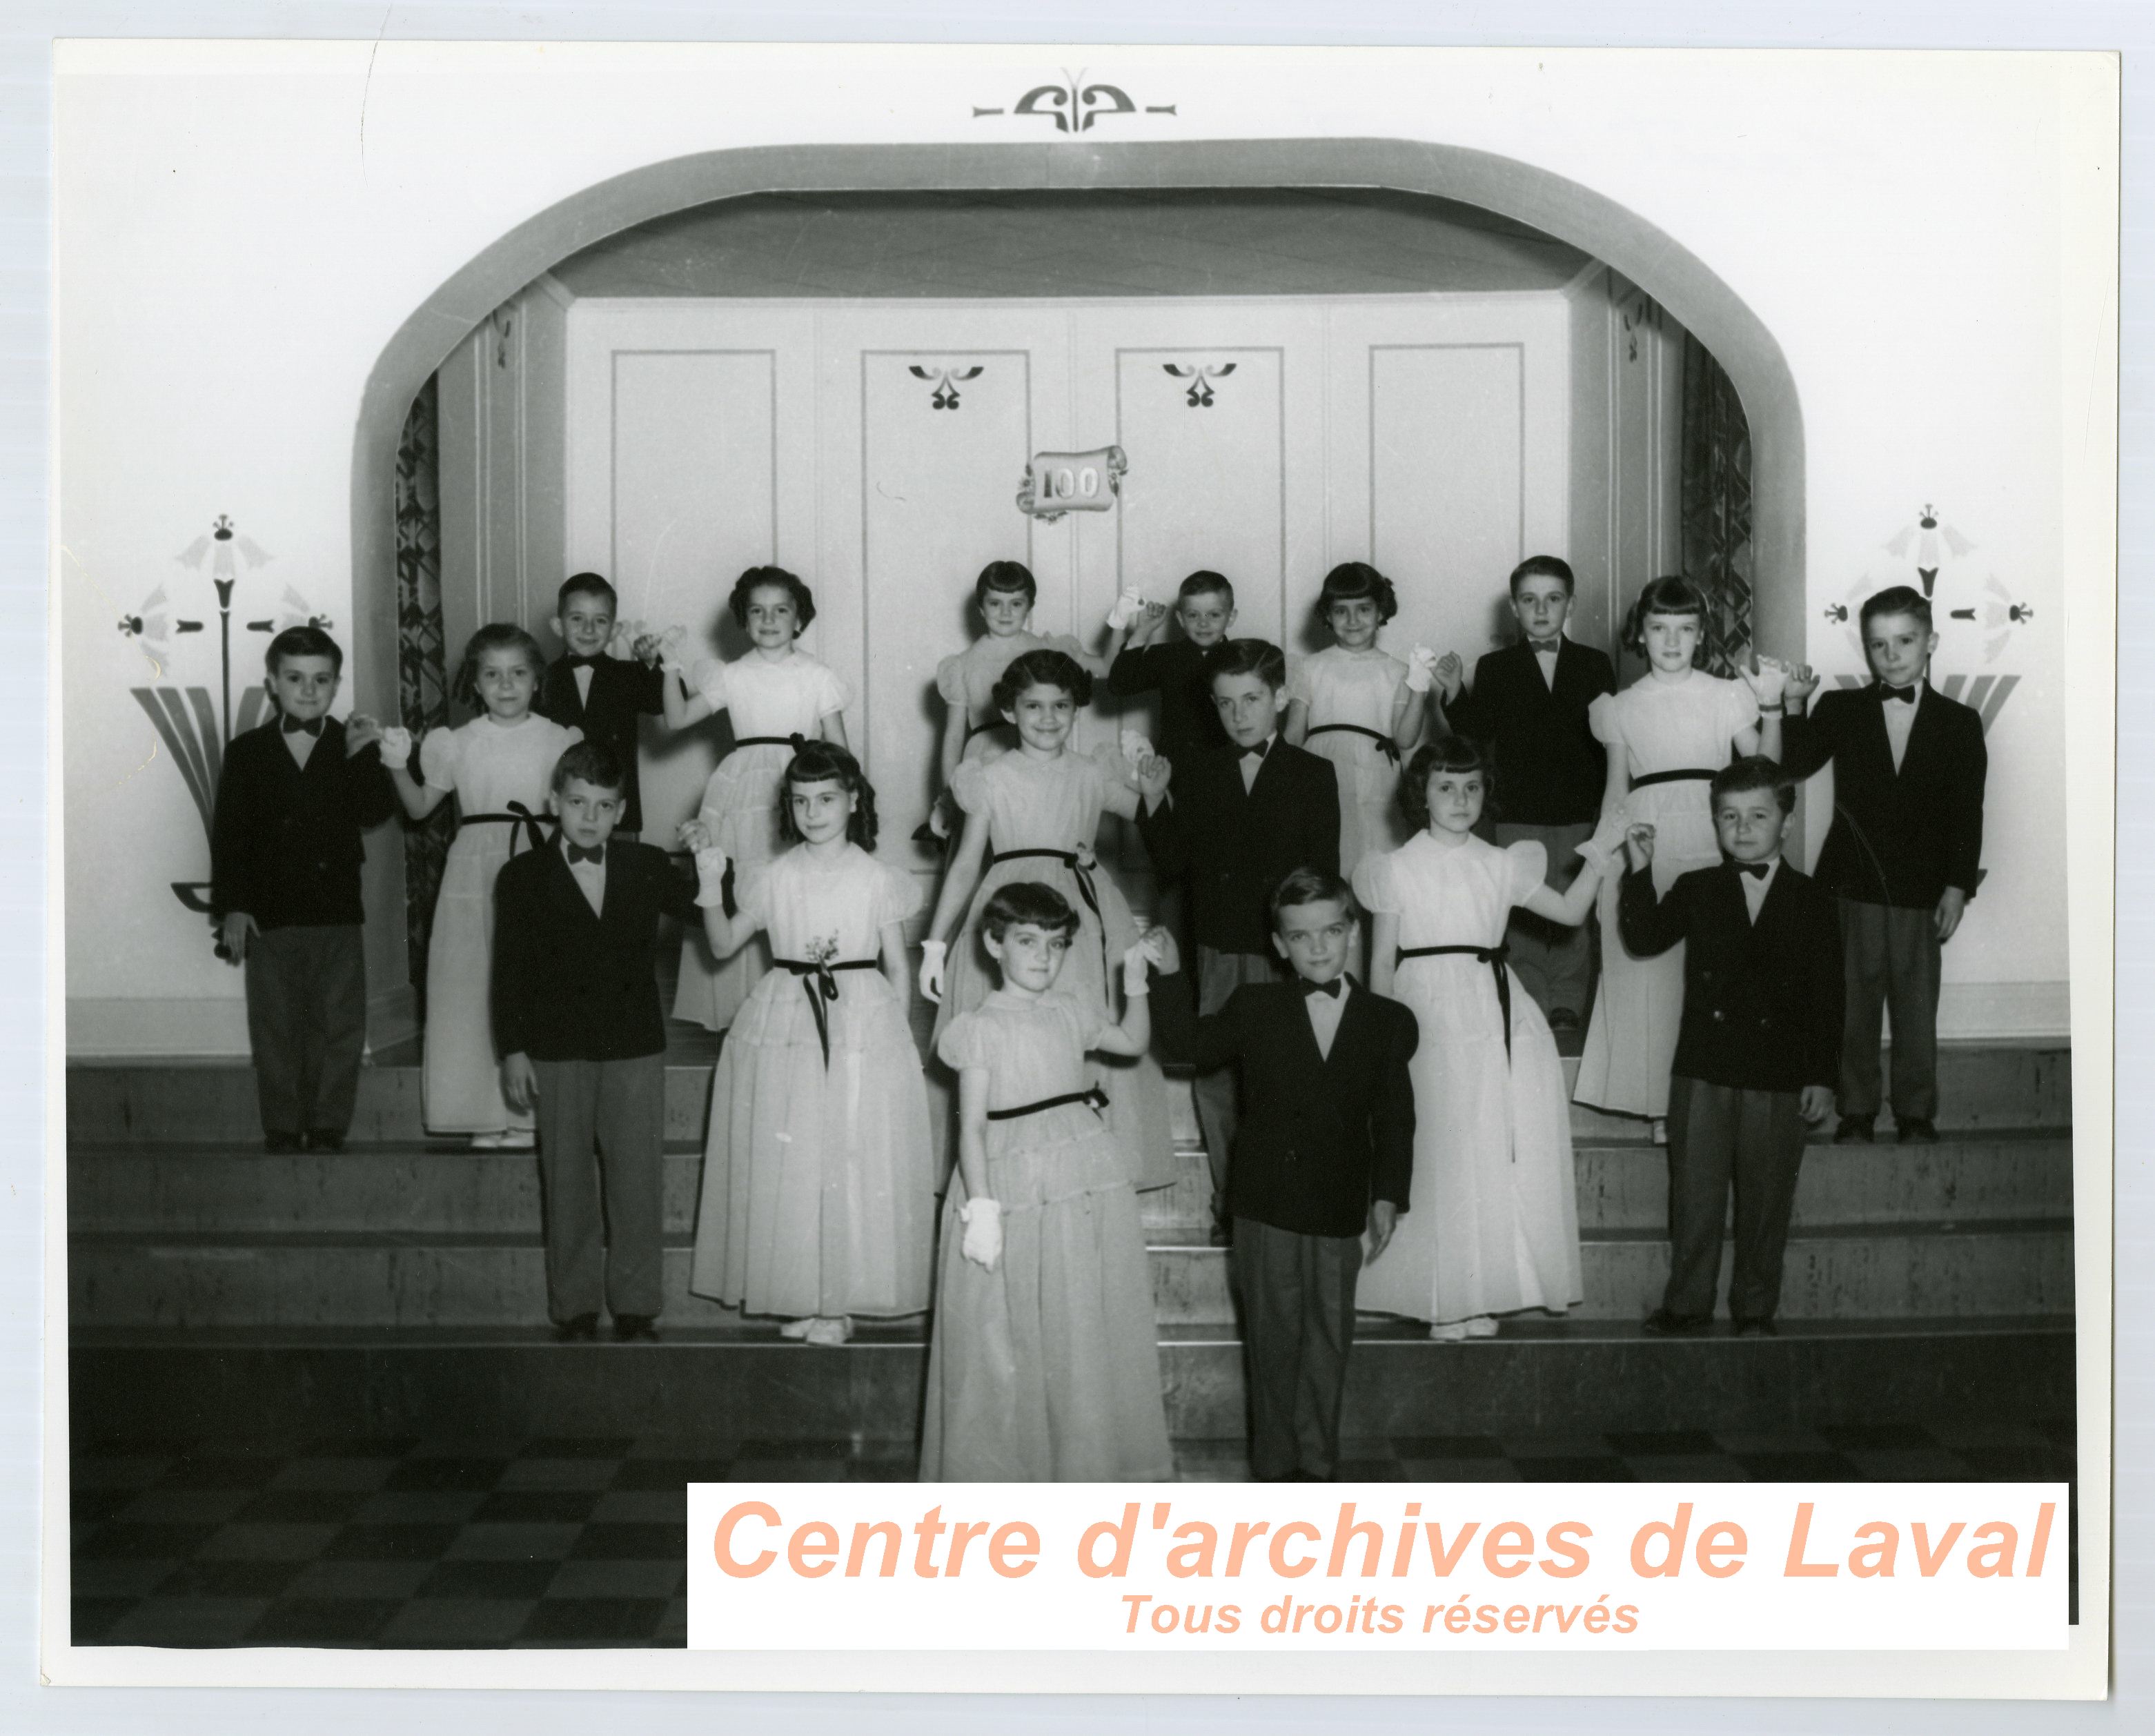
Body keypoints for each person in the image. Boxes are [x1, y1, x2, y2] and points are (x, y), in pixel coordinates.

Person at [1148, 871, 1417, 1481]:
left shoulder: (1386, 1020)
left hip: (1338, 1202)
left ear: (1352, 932)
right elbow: (1188, 1042)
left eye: (1330, 932)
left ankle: (1318, 1466)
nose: (1317, 948)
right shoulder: (1255, 1007)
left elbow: (1395, 1118)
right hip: (1265, 1203)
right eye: (1300, 937)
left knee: (1328, 1337)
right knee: (1273, 1342)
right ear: (1278, 945)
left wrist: (1388, 1195)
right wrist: (1166, 975)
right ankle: (1273, 1471)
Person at [919, 882, 1173, 1481]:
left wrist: (1135, 982)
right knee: (1007, 1324)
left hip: (1079, 1170)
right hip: (1009, 1178)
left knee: (1077, 1315)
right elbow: (973, 1128)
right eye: (1026, 942)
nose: (1042, 957)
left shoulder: (1070, 1008)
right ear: (992, 943)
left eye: (1055, 945)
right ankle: (1011, 1469)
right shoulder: (978, 1027)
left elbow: (1133, 1043)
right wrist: (981, 1206)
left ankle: (1081, 1461)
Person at [685, 741, 936, 1345]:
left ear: (853, 802)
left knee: (848, 1154)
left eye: (826, 799)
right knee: (795, 1158)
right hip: (787, 1019)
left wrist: (894, 1043)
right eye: (800, 802)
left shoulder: (877, 878)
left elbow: (897, 969)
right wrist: (709, 881)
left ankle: (840, 1301)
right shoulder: (776, 875)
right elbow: (721, 946)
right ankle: (807, 1292)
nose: (813, 812)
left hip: (859, 1019)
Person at [1355, 738, 1606, 1339]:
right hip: (1423, 1009)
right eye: (1446, 786)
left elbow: (1570, 913)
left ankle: (1482, 1291)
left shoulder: (1501, 864)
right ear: (1421, 795)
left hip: (1492, 1010)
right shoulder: (1394, 869)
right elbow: (1381, 965)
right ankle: (1440, 1296)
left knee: (1488, 1144)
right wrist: (1379, 1042)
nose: (1460, 799)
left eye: (1472, 787)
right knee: (1436, 1148)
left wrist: (1602, 856)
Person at [492, 742, 730, 1343]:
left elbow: (712, 913)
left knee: (636, 1178)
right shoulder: (521, 875)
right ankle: (572, 1307)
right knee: (566, 1179)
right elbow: (510, 969)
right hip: (555, 1047)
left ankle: (635, 1306)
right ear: (555, 802)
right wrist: (513, 1048)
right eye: (577, 803)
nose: (589, 817)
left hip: (633, 1045)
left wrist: (712, 863)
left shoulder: (646, 866)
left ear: (622, 810)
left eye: (603, 806)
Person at [919, 648, 1177, 1191]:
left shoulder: (1089, 772)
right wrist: (936, 944)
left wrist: (1154, 793)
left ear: (1076, 709)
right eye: (1033, 706)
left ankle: (1081, 1161)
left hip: (1080, 914)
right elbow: (966, 863)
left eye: (1060, 705)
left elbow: (1147, 816)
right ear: (1009, 712)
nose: (1048, 718)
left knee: (1083, 1022)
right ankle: (1006, 1167)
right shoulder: (988, 778)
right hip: (1010, 906)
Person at [1615, 758, 1844, 1335]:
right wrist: (1638, 871)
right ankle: (1688, 1304)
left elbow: (1829, 996)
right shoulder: (1698, 887)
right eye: (1729, 816)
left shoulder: (1813, 899)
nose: (1743, 828)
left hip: (1779, 1072)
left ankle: (1754, 1310)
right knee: (1695, 1196)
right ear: (1715, 822)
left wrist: (1822, 1075)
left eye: (1758, 815)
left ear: (1785, 824)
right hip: (1704, 1069)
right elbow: (1643, 939)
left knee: (1765, 1203)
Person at [1135, 639, 1340, 1237]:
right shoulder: (1199, 772)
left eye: (1251, 699)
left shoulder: (1312, 774)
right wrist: (1154, 801)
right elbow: (1174, 863)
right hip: (1219, 951)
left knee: (1289, 1079)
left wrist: (1309, 953)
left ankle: (1289, 1193)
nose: (1239, 714)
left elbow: (1323, 872)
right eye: (1225, 703)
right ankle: (1235, 1202)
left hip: (1288, 956)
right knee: (1220, 1083)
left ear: (1279, 697)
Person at [1572, 576, 1788, 1143]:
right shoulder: (1618, 707)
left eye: (1685, 630)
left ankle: (1718, 1094)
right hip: (1647, 834)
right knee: (1654, 972)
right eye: (1659, 629)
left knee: (1713, 971)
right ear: (1639, 635)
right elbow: (1615, 791)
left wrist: (1772, 709)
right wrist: (1603, 858)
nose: (1671, 641)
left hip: (1712, 825)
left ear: (1700, 636)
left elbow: (1762, 775)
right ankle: (1662, 1104)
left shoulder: (1725, 696)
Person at [1780, 586, 1987, 1145]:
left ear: (1930, 641)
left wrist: (1956, 887)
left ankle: (1916, 1112)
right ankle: (1857, 1109)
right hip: (1850, 883)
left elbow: (1967, 811)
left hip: (1922, 890)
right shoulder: (1841, 708)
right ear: (1865, 648)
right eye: (1878, 644)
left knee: (1917, 1007)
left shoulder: (1959, 722)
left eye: (1905, 640)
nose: (1891, 654)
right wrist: (1794, 703)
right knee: (1853, 1002)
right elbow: (1794, 763)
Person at [383, 624, 580, 1149]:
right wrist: (396, 766)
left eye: (518, 673)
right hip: (472, 868)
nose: (506, 685)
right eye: (492, 674)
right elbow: (422, 807)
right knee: (470, 985)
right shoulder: (456, 743)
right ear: (474, 682)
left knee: (534, 986)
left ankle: (529, 1117)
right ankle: (480, 1113)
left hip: (537, 861)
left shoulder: (559, 739)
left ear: (538, 680)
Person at [208, 625, 397, 1154]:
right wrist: (235, 907)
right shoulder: (247, 752)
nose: (308, 691)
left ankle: (330, 1123)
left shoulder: (348, 743)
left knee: (339, 1023)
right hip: (270, 914)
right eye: (295, 679)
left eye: (321, 680)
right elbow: (231, 836)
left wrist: (364, 755)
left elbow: (374, 812)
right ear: (273, 683)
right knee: (275, 1025)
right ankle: (284, 1126)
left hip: (335, 910)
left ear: (336, 685)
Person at [1434, 554, 1618, 1032]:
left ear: (1570, 604)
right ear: (1514, 608)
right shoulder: (1495, 667)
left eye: (1552, 599)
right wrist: (1454, 691)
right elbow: (1475, 734)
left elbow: (1609, 744)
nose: (1541, 610)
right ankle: (1528, 996)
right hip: (1516, 807)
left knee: (1572, 905)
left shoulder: (1594, 664)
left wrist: (1605, 807)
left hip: (1578, 807)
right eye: (1529, 600)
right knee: (1523, 907)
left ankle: (1567, 1000)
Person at [663, 566, 850, 1033]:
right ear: (743, 621)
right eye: (757, 611)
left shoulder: (817, 676)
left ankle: (799, 1002)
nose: (769, 620)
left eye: (780, 610)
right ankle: (741, 1012)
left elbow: (841, 754)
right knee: (741, 888)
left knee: (796, 887)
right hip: (741, 788)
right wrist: (669, 666)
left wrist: (839, 802)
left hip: (800, 785)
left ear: (799, 619)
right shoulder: (732, 675)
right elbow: (678, 718)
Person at [922, 560, 1101, 843]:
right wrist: (946, 797)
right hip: (984, 758)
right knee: (985, 848)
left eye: (1016, 604)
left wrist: (1123, 625)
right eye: (995, 603)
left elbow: (1108, 670)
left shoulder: (1047, 651)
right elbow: (954, 735)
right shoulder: (963, 664)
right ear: (981, 608)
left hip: (1040, 754)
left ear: (1029, 606)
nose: (1005, 613)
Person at [1282, 561, 1432, 880]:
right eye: (1341, 611)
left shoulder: (1397, 670)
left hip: (1377, 774)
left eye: (1364, 609)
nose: (1352, 621)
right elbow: (1294, 734)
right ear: (1327, 615)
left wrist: (1420, 686)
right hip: (1320, 765)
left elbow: (1404, 739)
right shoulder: (1309, 667)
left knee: (1374, 861)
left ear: (1381, 612)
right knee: (1323, 858)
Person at [533, 572, 669, 836]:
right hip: (556, 814)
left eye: (600, 621)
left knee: (622, 876)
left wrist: (652, 663)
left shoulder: (629, 674)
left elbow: (664, 701)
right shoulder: (541, 680)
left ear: (615, 630)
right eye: (577, 619)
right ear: (558, 626)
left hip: (617, 815)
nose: (589, 629)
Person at [1102, 569, 1237, 764]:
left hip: (1227, 765)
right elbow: (1119, 685)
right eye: (1193, 615)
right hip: (1175, 768)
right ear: (1181, 619)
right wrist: (1142, 632)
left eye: (1214, 615)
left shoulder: (1242, 659)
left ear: (1231, 617)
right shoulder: (1167, 656)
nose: (1203, 624)